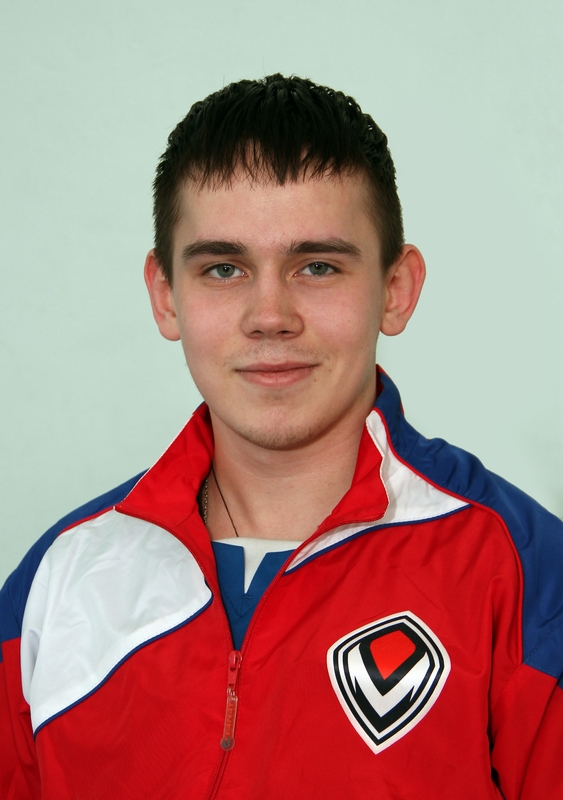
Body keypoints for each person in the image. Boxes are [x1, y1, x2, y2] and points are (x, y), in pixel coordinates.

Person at [1, 74, 562, 800]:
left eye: (317, 266)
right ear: (165, 296)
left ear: (395, 289)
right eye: (224, 269)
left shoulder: (523, 573)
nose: (270, 316)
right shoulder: (58, 582)